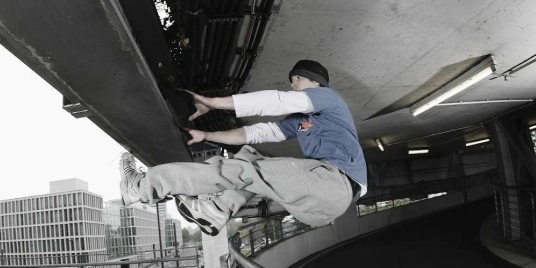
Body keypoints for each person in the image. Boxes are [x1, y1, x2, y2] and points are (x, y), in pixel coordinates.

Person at [120, 60, 367, 236]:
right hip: (314, 207)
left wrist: (214, 103)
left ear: (315, 81)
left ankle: (141, 187)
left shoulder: (327, 97)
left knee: (247, 169)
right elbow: (255, 133)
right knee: (250, 153)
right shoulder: (299, 121)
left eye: (297, 79)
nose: (292, 84)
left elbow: (277, 101)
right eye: (291, 81)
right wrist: (207, 134)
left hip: (335, 185)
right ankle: (217, 210)